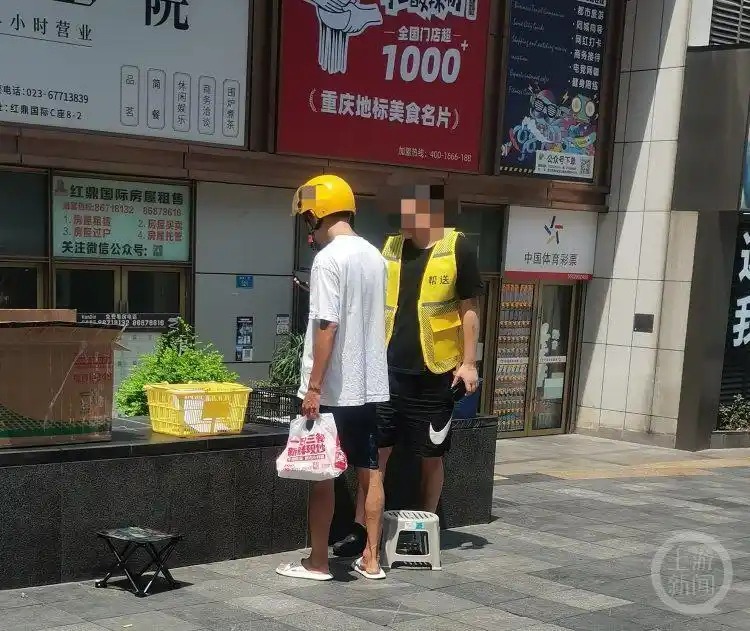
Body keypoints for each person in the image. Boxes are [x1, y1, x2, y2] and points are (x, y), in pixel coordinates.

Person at [333, 183, 482, 558]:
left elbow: (469, 308)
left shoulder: (457, 247)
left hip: (436, 373)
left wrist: (469, 363)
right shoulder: (390, 248)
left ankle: (427, 528)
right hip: (386, 371)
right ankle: (361, 529)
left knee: (431, 456)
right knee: (374, 455)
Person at [276, 174, 390, 581]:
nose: (309, 229)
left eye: (307, 219)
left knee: (321, 474)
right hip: (370, 385)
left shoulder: (328, 260)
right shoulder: (375, 257)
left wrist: (314, 387)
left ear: (317, 214)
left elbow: (328, 326)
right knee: (370, 471)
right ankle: (372, 559)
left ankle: (319, 561)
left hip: (333, 389)